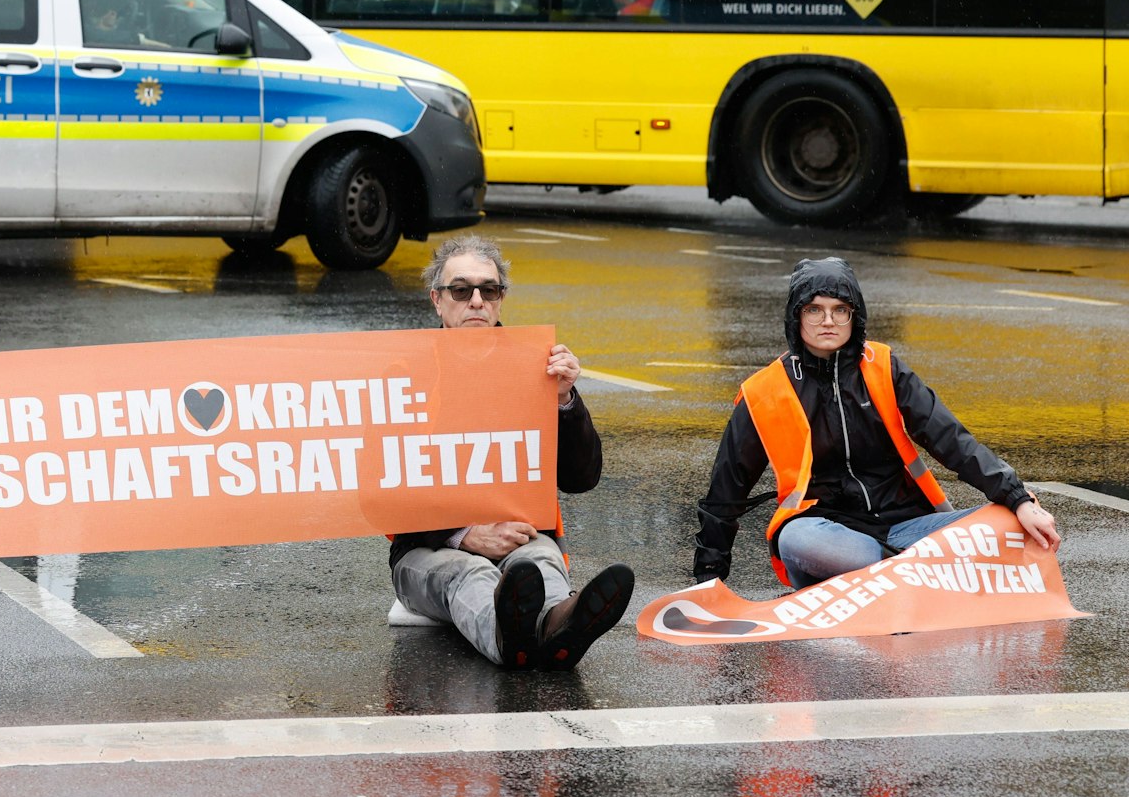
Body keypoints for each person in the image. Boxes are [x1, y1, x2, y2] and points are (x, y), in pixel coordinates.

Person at [694, 257, 1061, 590]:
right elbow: (727, 486)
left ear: (856, 317)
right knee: (796, 540)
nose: (828, 321)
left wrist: (1016, 499)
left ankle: (898, 574)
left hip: (908, 529)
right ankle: (915, 575)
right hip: (828, 539)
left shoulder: (884, 365)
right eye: (814, 310)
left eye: (840, 310)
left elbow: (951, 439)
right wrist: (709, 577)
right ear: (796, 316)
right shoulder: (765, 390)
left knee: (1010, 523)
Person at [388, 235, 636, 671]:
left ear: (501, 299)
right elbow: (378, 492)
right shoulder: (402, 373)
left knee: (539, 561)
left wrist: (564, 401)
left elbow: (580, 478)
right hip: (426, 551)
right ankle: (513, 642)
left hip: (523, 534)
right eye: (461, 290)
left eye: (490, 289)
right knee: (470, 574)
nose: (477, 301)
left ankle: (561, 627)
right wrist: (463, 534)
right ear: (437, 300)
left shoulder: (536, 367)